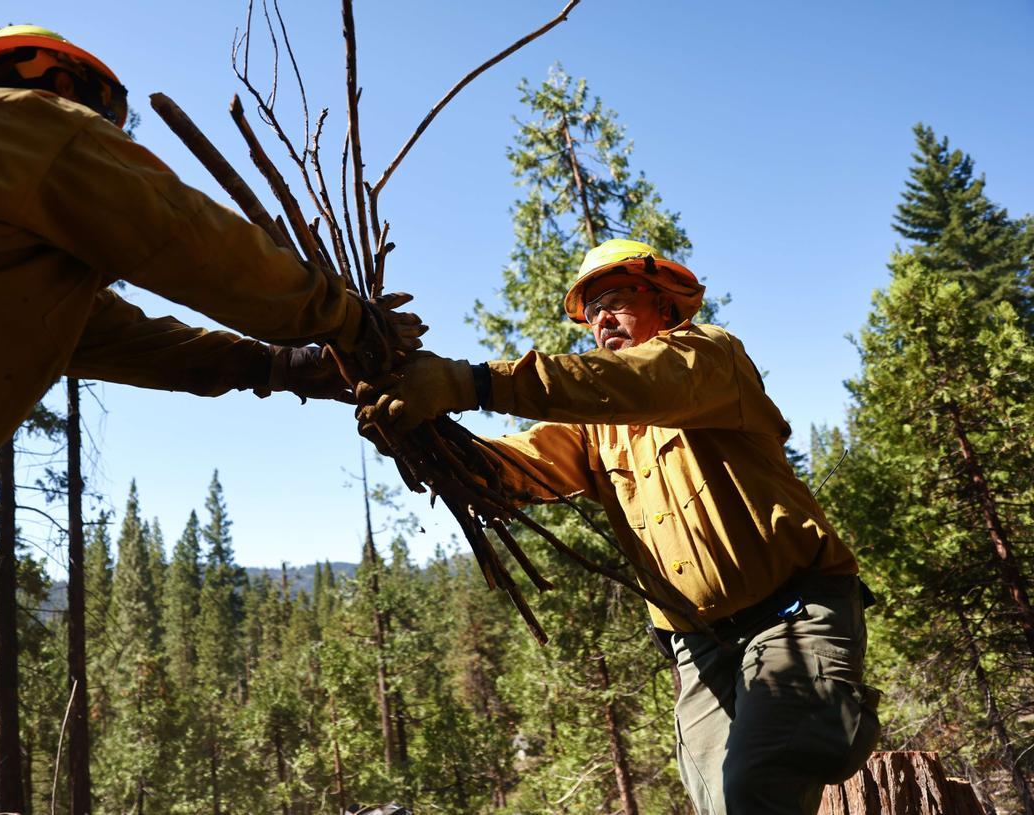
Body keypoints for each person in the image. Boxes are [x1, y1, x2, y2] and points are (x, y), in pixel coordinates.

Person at [0, 25, 421, 813]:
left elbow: (118, 335)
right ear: (68, 83)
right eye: (115, 117)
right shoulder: (33, 121)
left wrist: (278, 366)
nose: (115, 135)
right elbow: (181, 232)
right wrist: (343, 316)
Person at [357, 239, 879, 815]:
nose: (602, 319)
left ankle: (831, 720)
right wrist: (431, 446)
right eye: (592, 309)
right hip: (699, 645)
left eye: (617, 299)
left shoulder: (708, 359)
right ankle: (824, 720)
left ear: (665, 305)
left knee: (758, 786)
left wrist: (472, 382)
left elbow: (635, 382)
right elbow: (525, 464)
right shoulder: (599, 425)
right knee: (718, 804)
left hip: (791, 613)